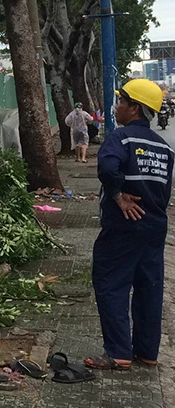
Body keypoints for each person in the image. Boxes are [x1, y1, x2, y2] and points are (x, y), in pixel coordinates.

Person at [85, 78, 174, 370]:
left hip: (124, 225)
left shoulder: (120, 138)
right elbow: (164, 190)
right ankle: (147, 353)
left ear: (135, 108)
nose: (117, 106)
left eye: (121, 101)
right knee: (149, 286)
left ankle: (119, 352)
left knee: (111, 283)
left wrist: (118, 195)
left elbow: (107, 167)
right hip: (155, 227)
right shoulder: (164, 148)